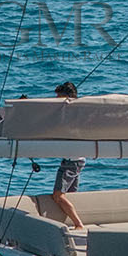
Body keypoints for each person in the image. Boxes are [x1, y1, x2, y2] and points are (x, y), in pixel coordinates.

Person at [51, 81, 86, 229]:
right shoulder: (78, 114)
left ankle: (78, 224)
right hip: (79, 159)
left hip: (72, 161)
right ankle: (74, 223)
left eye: (60, 98)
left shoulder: (68, 116)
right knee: (71, 194)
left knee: (58, 195)